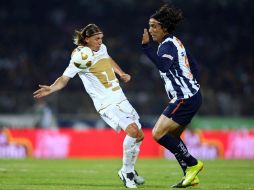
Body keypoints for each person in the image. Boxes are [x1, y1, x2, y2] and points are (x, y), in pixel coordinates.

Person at [33, 24, 144, 189]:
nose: (100, 42)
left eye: (101, 38)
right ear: (87, 39)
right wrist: (52, 87)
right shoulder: (80, 58)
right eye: (97, 39)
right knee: (133, 131)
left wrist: (121, 73)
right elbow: (64, 78)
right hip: (106, 103)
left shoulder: (102, 48)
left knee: (139, 135)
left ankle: (129, 170)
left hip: (120, 98)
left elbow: (108, 58)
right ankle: (126, 173)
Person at [141, 4, 203, 188]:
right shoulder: (176, 42)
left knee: (158, 133)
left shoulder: (166, 46)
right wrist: (194, 84)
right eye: (149, 26)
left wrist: (146, 48)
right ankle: (190, 176)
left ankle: (193, 165)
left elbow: (164, 66)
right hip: (190, 95)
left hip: (184, 98)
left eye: (154, 26)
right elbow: (194, 64)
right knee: (173, 138)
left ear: (164, 27)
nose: (151, 30)